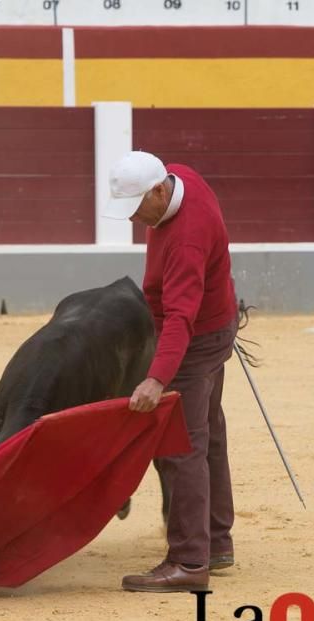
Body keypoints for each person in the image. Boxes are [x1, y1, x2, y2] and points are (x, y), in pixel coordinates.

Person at [104, 151, 238, 592]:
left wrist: (156, 378)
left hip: (197, 338)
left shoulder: (185, 240)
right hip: (217, 323)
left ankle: (189, 561)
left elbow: (180, 318)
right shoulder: (182, 175)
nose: (134, 221)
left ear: (160, 191)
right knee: (208, 433)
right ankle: (216, 543)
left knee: (183, 446)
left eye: (138, 208)